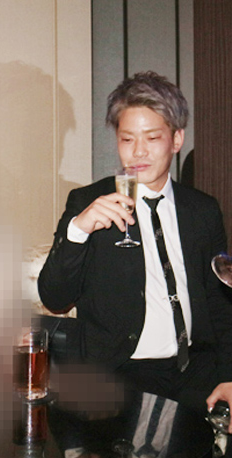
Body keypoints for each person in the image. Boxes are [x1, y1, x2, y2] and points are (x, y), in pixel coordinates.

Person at [38, 71, 232, 416]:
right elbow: (54, 299)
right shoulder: (88, 202)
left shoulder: (202, 210)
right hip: (118, 377)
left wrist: (229, 375)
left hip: (195, 374)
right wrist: (78, 230)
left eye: (152, 138)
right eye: (127, 139)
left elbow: (221, 301)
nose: (138, 151)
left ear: (176, 139)